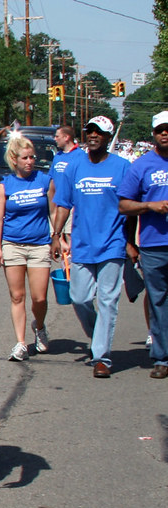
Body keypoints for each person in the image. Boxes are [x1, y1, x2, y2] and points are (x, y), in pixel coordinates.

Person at [52, 116, 131, 378]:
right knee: (79, 298)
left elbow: (130, 206)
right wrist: (56, 235)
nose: (93, 135)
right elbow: (63, 203)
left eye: (99, 132)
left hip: (112, 243)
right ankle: (99, 335)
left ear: (108, 137)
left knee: (107, 301)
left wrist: (132, 242)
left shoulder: (122, 167)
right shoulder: (74, 167)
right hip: (83, 245)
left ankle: (101, 358)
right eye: (90, 131)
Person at [0, 135, 56, 362]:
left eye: (32, 157)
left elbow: (54, 211)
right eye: (25, 158)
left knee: (39, 298)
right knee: (17, 296)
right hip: (13, 245)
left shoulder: (45, 181)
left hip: (39, 245)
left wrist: (58, 237)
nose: (30, 162)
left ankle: (39, 326)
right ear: (14, 160)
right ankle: (20, 343)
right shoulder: (5, 186)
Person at [117, 111, 168, 378]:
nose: (165, 133)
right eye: (160, 129)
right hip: (154, 245)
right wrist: (149, 206)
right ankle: (162, 358)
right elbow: (124, 205)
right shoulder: (141, 166)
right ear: (153, 134)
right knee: (158, 302)